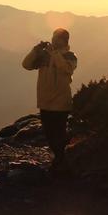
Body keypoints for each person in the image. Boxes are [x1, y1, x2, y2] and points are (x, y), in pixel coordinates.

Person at [21, 28, 78, 168]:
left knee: (59, 133)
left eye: (57, 38)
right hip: (45, 102)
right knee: (50, 135)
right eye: (53, 37)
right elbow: (26, 65)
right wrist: (35, 50)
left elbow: (66, 69)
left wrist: (55, 54)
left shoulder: (71, 56)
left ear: (65, 40)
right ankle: (59, 160)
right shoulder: (44, 55)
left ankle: (61, 161)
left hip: (61, 103)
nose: (53, 40)